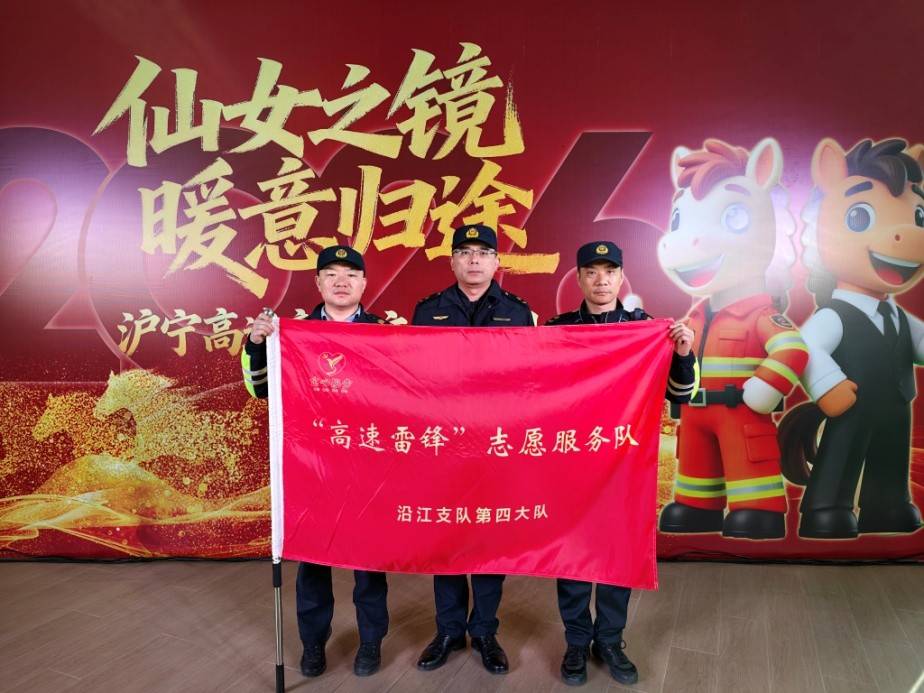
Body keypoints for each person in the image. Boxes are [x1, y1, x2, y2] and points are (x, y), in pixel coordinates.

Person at [545, 240, 696, 686]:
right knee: (571, 557)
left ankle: (609, 640)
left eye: (609, 271)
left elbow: (680, 394)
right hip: (572, 462)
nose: (601, 280)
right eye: (591, 271)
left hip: (625, 464)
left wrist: (683, 353)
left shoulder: (644, 330)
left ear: (621, 277)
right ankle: (576, 641)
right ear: (579, 278)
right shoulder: (558, 330)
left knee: (617, 554)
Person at [241, 245, 389, 679]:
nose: (341, 281)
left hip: (368, 467)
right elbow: (260, 390)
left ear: (364, 283)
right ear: (318, 283)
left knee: (370, 566)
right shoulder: (292, 334)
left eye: (351, 274)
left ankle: (371, 642)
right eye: (331, 274)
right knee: (313, 564)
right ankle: (312, 645)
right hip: (312, 468)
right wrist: (257, 343)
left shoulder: (384, 334)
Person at [412, 223, 534, 675]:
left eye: (483, 252)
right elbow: (413, 379)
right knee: (445, 538)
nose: (474, 260)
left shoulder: (518, 313)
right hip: (443, 444)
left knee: (488, 538)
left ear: (497, 261)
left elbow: (529, 381)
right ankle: (447, 630)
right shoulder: (428, 311)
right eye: (465, 252)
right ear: (453, 262)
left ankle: (484, 630)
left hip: (495, 445)